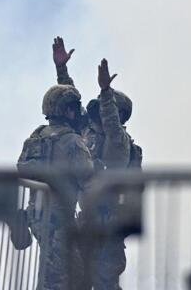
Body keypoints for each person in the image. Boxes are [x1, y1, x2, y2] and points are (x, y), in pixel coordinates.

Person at [51, 37, 143, 290]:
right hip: (86, 222)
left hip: (109, 228)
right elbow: (70, 106)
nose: (94, 118)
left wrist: (105, 92)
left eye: (101, 113)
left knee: (105, 282)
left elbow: (112, 123)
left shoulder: (118, 143)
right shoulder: (90, 134)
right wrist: (62, 70)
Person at [17, 82, 94, 290]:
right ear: (68, 110)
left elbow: (22, 169)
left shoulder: (36, 137)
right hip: (60, 221)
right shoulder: (73, 142)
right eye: (74, 108)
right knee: (66, 278)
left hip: (36, 216)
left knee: (54, 272)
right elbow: (89, 183)